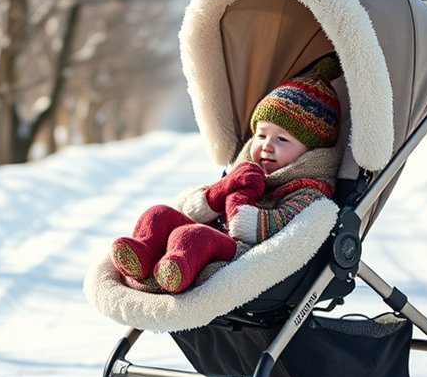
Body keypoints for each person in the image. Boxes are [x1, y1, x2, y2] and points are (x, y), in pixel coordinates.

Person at [111, 54, 344, 293]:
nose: (266, 146)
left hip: (246, 256)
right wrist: (222, 189)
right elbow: (194, 212)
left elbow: (258, 228)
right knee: (158, 215)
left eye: (282, 139)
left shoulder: (308, 192)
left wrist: (240, 195)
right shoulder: (245, 170)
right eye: (262, 135)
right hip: (214, 231)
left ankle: (174, 270)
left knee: (193, 237)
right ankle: (142, 255)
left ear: (310, 152)